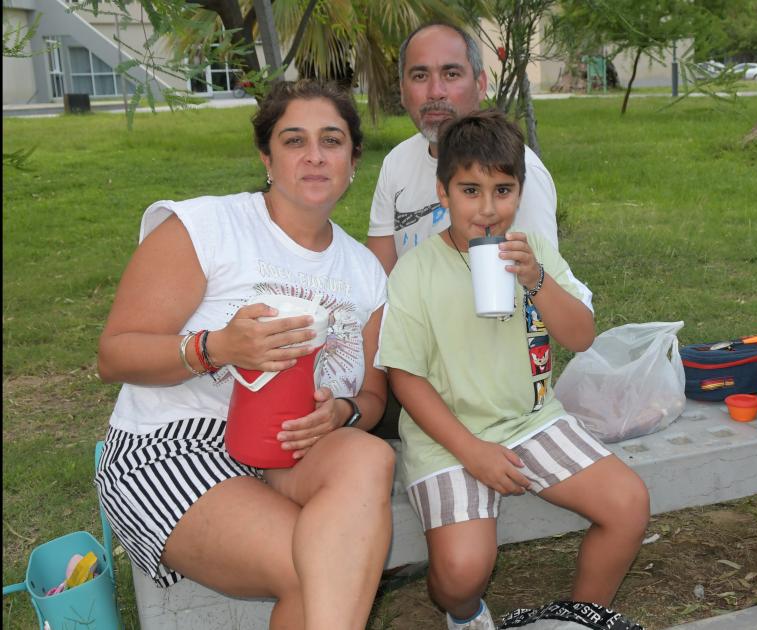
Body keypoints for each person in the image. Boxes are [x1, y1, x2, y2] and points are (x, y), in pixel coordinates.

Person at [94, 80, 395, 628]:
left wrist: (342, 414)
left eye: (331, 140)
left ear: (353, 160)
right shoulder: (207, 227)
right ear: (266, 156)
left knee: (371, 456)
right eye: (293, 140)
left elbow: (372, 396)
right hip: (174, 444)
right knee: (323, 570)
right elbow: (114, 354)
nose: (314, 155)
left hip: (293, 449)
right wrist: (218, 347)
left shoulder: (364, 273)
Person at [379, 111, 650, 630]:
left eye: (503, 190)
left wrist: (537, 280)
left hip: (531, 420)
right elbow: (405, 378)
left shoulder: (535, 254)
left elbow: (581, 336)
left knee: (628, 504)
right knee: (462, 572)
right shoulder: (415, 272)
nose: (487, 209)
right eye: (470, 190)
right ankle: (463, 614)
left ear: (520, 193)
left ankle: (577, 619)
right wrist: (472, 452)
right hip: (448, 438)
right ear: (443, 194)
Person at [367, 22, 558, 273]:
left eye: (451, 74)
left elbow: (543, 286)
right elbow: (378, 279)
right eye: (420, 76)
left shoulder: (516, 171)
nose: (436, 92)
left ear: (480, 84)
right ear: (402, 91)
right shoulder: (397, 162)